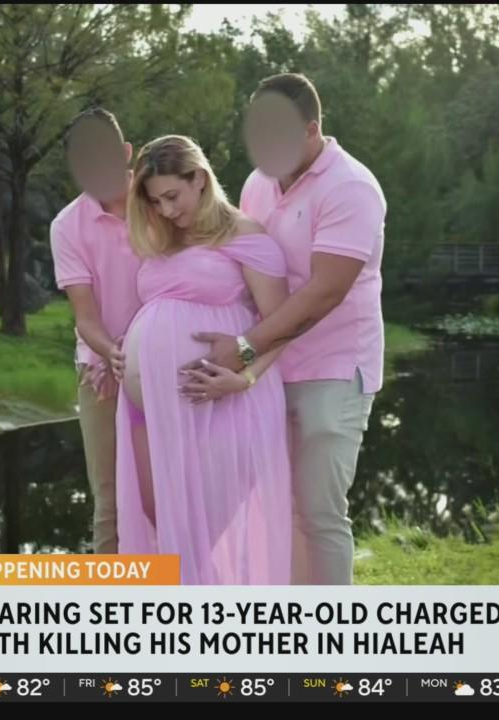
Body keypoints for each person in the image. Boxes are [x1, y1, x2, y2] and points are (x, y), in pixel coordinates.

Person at [186, 73, 388, 585]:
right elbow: (246, 268)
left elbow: (324, 293)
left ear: (311, 129)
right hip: (270, 367)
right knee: (273, 508)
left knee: (318, 512)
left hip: (332, 369)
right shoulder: (258, 183)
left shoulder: (350, 187)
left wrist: (245, 349)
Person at [113, 134, 292, 584]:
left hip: (223, 402)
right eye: (156, 201)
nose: (166, 210)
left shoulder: (245, 235)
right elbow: (158, 307)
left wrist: (245, 378)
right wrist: (126, 349)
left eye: (172, 196)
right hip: (147, 407)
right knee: (161, 520)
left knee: (196, 527)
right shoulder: (166, 237)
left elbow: (282, 326)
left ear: (199, 179)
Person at [49, 107, 143, 554]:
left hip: (170, 362)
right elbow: (85, 317)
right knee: (110, 502)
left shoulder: (160, 200)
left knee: (171, 489)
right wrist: (111, 354)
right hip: (102, 372)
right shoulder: (67, 226)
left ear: (125, 152)